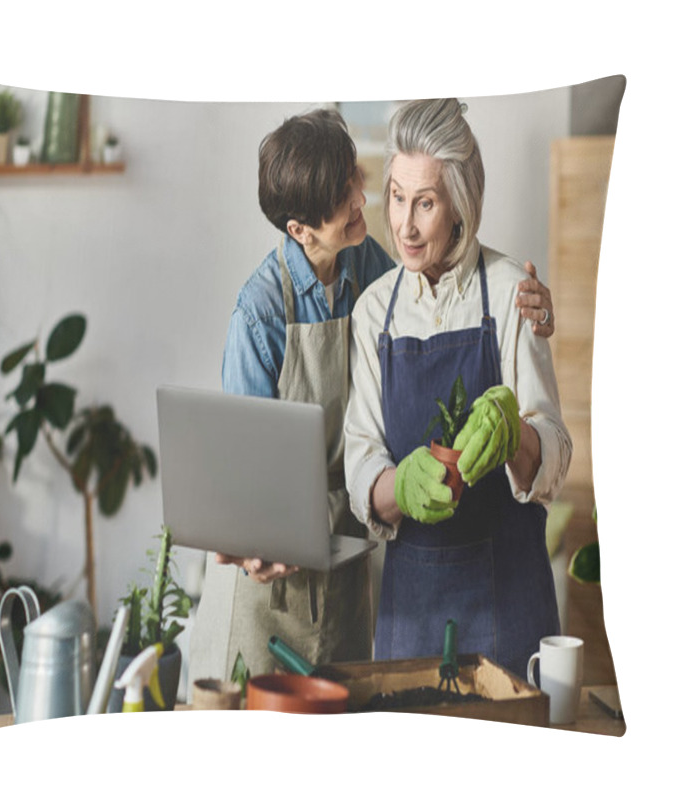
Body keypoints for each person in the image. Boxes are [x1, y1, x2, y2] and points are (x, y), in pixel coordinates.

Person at [189, 107, 557, 683]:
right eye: (363, 197)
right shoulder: (262, 314)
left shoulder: (375, 269)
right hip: (275, 586)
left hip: (353, 570)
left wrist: (535, 323)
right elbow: (248, 481)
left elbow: (433, 294)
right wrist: (256, 539)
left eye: (358, 184)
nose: (383, 215)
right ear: (301, 231)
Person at [344, 98, 571, 679]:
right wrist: (400, 485)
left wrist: (516, 435)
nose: (405, 225)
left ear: (460, 205)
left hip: (510, 600)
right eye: (397, 196)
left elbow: (555, 452)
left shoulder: (512, 294)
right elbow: (361, 457)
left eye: (426, 202)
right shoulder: (375, 312)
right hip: (410, 615)